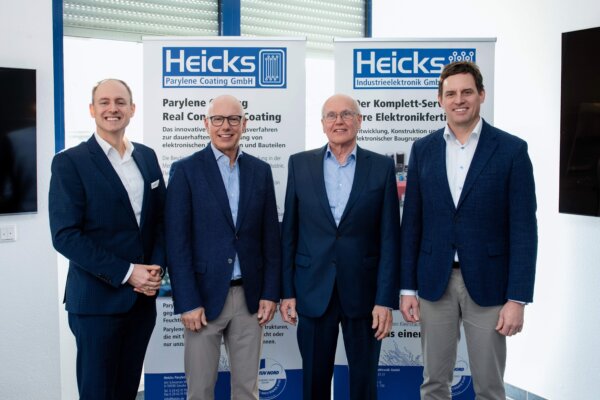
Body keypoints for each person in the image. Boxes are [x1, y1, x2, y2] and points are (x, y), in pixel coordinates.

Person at [400, 61, 538, 399]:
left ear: (481, 95)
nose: (458, 100)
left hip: (490, 284)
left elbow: (524, 229)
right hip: (435, 282)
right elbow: (412, 223)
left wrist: (517, 298)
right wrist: (407, 288)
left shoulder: (511, 150)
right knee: (434, 383)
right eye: (451, 94)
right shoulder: (423, 149)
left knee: (489, 386)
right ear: (440, 100)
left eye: (466, 92)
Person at [49, 79, 166, 400]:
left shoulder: (146, 156)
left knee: (127, 390)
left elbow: (160, 220)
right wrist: (128, 273)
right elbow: (65, 236)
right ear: (92, 109)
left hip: (141, 302)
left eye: (120, 102)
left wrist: (155, 269)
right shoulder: (70, 162)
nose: (112, 108)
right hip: (96, 304)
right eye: (104, 102)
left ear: (132, 109)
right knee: (98, 392)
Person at [280, 94, 401, 400]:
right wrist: (287, 292)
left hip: (365, 294)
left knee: (364, 384)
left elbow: (390, 238)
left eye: (347, 114)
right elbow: (289, 233)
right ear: (322, 124)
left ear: (359, 121)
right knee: (314, 383)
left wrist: (385, 300)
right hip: (312, 290)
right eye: (331, 116)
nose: (339, 121)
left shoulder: (381, 167)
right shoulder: (299, 164)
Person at [165, 94, 281, 400]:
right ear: (206, 124)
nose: (225, 126)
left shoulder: (260, 171)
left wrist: (270, 293)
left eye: (233, 119)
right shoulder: (186, 170)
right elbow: (177, 243)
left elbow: (271, 238)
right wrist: (187, 301)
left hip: (250, 298)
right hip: (202, 300)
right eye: (218, 119)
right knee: (200, 390)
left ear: (244, 124)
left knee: (247, 390)